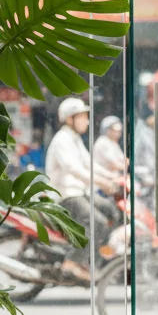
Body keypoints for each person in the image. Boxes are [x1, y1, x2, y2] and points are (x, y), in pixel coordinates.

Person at [45, 97, 120, 282]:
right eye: (82, 117)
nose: (86, 121)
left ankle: (91, 260)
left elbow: (88, 163)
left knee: (112, 211)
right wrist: (102, 183)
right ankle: (71, 263)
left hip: (80, 193)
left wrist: (114, 176)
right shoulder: (62, 140)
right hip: (65, 196)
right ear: (69, 119)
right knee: (98, 223)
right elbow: (74, 169)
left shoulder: (75, 139)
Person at [93, 115, 127, 181]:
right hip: (102, 181)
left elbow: (124, 161)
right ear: (107, 130)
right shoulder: (103, 142)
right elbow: (114, 164)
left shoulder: (113, 143)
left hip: (114, 179)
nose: (118, 133)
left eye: (119, 131)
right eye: (114, 130)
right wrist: (124, 165)